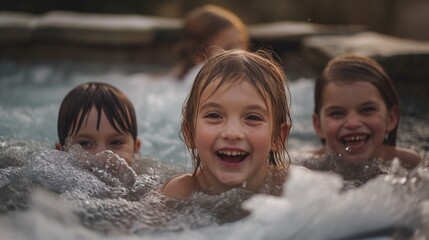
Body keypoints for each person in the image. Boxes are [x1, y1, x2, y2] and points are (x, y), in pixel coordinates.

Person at [160, 49, 292, 199]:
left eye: (253, 118)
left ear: (278, 137)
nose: (232, 133)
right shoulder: (178, 193)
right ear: (190, 134)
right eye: (214, 115)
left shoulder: (294, 187)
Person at [311, 54, 421, 169]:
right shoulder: (304, 167)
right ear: (318, 125)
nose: (353, 123)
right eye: (337, 113)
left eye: (367, 110)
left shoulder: (410, 163)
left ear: (391, 119)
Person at [55, 82, 141, 185]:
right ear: (61, 151)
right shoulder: (51, 182)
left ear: (135, 148)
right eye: (85, 143)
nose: (103, 158)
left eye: (116, 142)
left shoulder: (149, 177)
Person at [170, 4, 250, 81]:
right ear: (198, 54)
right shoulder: (205, 78)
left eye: (242, 44)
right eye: (228, 48)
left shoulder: (176, 79)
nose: (241, 52)